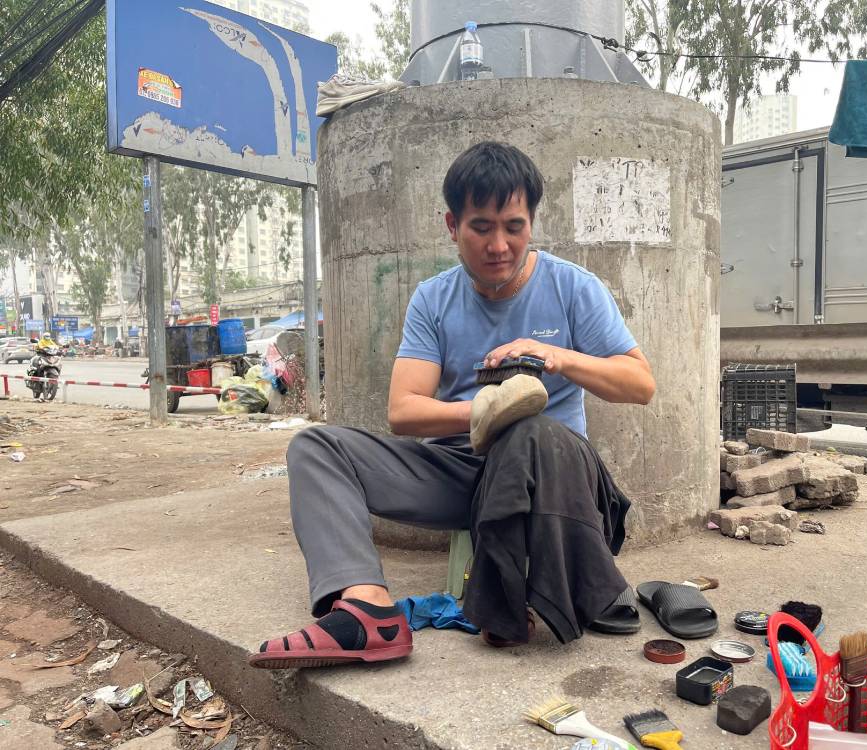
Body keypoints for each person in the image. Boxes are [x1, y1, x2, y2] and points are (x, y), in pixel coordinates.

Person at [250, 142, 656, 670]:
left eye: (514, 226)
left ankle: (514, 597)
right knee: (316, 447)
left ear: (532, 221)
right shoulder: (433, 299)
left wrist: (555, 357)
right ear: (452, 225)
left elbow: (640, 384)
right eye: (481, 227)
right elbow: (404, 411)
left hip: (554, 481)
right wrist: (489, 409)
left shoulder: (573, 287)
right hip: (462, 474)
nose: (499, 244)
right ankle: (368, 609)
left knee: (530, 432)